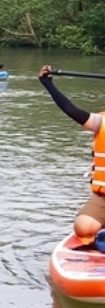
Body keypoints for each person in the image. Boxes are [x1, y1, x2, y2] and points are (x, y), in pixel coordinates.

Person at [39, 65, 105, 246]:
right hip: (104, 197)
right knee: (82, 227)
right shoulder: (101, 122)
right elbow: (71, 110)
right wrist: (48, 85)